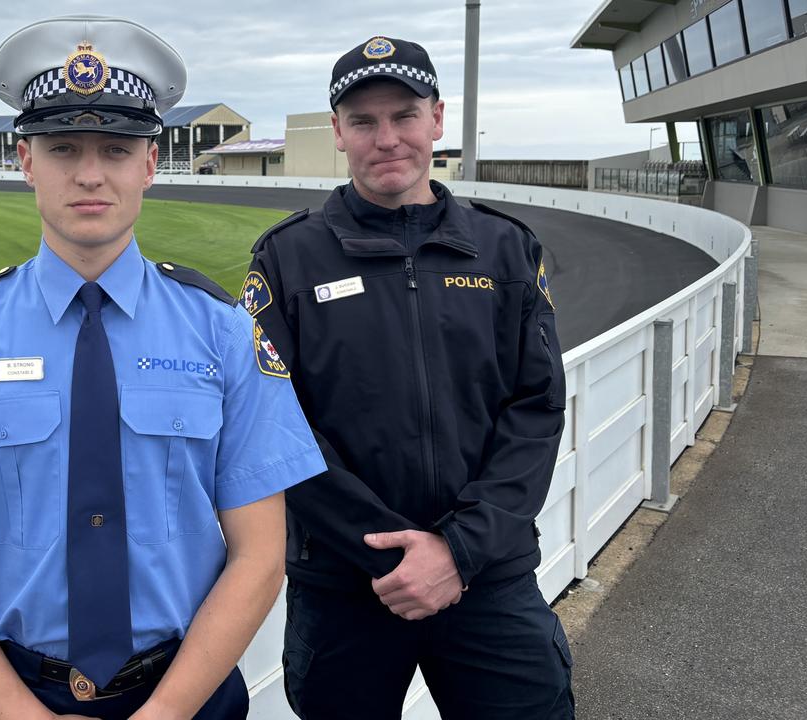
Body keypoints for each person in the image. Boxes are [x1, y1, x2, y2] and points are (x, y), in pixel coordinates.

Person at [0, 16, 325, 720]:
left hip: (186, 697)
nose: (90, 173)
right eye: (63, 147)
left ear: (151, 164)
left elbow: (260, 554)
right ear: (26, 161)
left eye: (117, 148)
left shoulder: (224, 334)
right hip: (11, 697)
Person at [244, 36, 574, 719]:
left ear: (438, 120)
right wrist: (391, 554)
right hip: (346, 583)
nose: (386, 138)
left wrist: (457, 549)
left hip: (487, 578)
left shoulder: (506, 248)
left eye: (404, 115)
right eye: (363, 121)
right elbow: (274, 421)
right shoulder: (287, 257)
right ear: (338, 132)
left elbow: (535, 411)